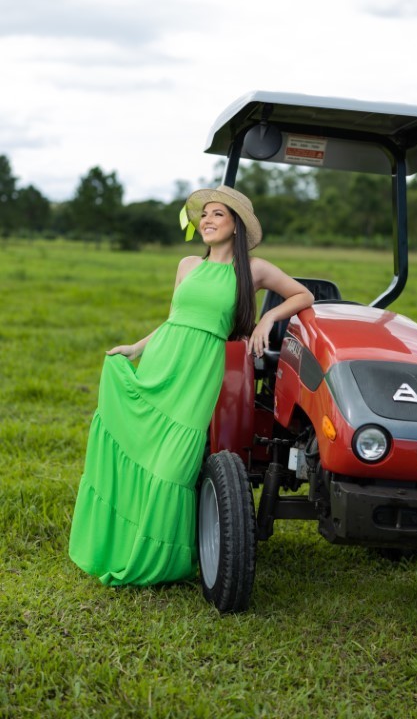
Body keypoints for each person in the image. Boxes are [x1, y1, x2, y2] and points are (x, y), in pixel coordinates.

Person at [69, 185, 314, 586]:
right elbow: (174, 320)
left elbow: (303, 295)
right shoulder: (186, 265)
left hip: (201, 369)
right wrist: (136, 348)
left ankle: (158, 557)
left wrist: (268, 319)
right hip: (164, 360)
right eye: (204, 214)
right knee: (144, 451)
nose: (207, 220)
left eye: (218, 214)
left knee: (173, 464)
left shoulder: (254, 269)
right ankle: (124, 544)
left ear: (236, 225)